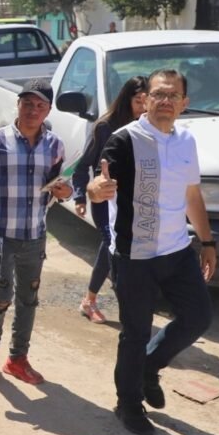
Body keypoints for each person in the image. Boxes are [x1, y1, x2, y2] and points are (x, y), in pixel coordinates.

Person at [87, 68, 216, 435]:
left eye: (172, 96)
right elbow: (98, 183)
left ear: (184, 104)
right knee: (135, 332)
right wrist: (97, 190)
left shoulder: (186, 141)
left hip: (176, 250)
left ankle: (148, 367)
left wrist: (207, 242)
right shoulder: (125, 140)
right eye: (158, 94)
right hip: (134, 255)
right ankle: (127, 403)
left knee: (198, 317)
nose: (164, 101)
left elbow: (192, 195)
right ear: (146, 99)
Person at [0, 79, 72, 385]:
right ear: (18, 104)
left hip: (34, 235)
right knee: (0, 297)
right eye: (27, 103)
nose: (32, 110)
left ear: (48, 110)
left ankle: (17, 359)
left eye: (40, 106)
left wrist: (66, 191)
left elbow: (59, 190)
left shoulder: (55, 146)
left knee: (28, 299)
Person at [71, 76, 148, 324]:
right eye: (139, 101)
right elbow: (83, 166)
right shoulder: (105, 127)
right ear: (127, 99)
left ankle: (92, 300)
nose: (144, 108)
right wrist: (81, 196)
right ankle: (113, 306)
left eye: (147, 102)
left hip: (131, 202)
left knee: (116, 252)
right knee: (114, 251)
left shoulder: (148, 128)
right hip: (104, 201)